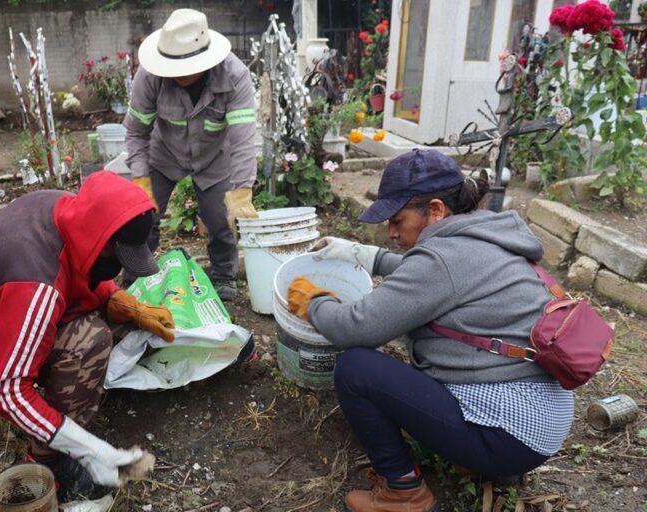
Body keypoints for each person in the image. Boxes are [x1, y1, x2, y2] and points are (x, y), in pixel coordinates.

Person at [287, 149, 574, 512]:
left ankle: (404, 492)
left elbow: (354, 328)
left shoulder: (440, 260)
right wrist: (363, 255)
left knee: (356, 368)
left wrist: (313, 302)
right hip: (543, 421)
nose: (391, 232)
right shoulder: (485, 236)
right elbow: (430, 276)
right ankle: (480, 460)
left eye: (398, 220)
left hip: (509, 436)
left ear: (436, 210)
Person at [0, 171, 176, 502]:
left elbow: (75, 266)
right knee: (91, 339)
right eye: (117, 258)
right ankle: (47, 460)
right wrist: (89, 449)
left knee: (100, 321)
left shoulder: (60, 206)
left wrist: (116, 298)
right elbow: (7, 391)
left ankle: (55, 437)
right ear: (100, 243)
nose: (116, 269)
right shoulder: (34, 283)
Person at [124, 8, 258, 300]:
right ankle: (135, 278)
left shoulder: (234, 77)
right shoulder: (149, 78)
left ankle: (224, 275)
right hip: (164, 155)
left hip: (213, 158)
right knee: (141, 218)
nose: (178, 74)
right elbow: (136, 132)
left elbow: (243, 139)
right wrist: (140, 178)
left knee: (220, 220)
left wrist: (243, 187)